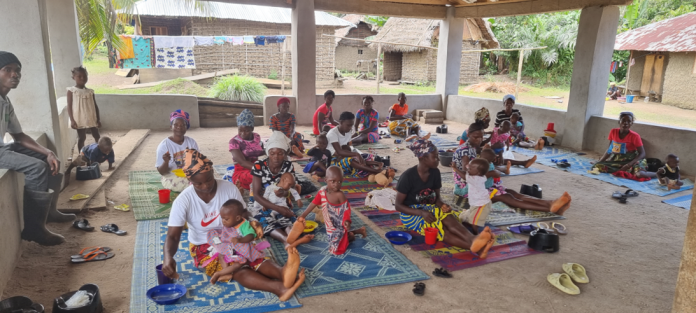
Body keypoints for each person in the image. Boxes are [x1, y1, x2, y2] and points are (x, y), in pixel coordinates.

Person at [162, 150, 305, 300]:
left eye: (209, 180)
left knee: (253, 255)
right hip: (205, 245)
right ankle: (278, 288)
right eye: (198, 183)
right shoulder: (183, 200)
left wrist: (252, 224)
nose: (205, 186)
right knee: (235, 267)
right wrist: (168, 257)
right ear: (189, 179)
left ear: (212, 172)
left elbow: (243, 213)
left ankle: (282, 273)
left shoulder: (229, 188)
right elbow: (172, 235)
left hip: (233, 237)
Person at [0, 51, 73, 246]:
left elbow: (19, 135)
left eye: (17, 71)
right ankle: (34, 229)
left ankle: (50, 212)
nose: (14, 75)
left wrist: (48, 152)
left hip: (3, 147)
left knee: (51, 160)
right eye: (7, 70)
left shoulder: (5, 101)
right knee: (37, 168)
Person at [396, 139, 495, 258]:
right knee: (440, 228)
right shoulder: (407, 177)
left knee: (448, 217)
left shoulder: (435, 173)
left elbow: (436, 198)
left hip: (429, 207)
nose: (438, 159)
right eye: (435, 157)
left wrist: (442, 205)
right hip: (411, 213)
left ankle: (473, 239)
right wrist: (421, 213)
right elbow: (398, 206)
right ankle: (476, 248)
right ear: (423, 158)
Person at [453, 122, 571, 214]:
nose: (479, 140)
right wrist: (490, 173)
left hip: (479, 182)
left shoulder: (472, 146)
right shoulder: (464, 152)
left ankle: (551, 203)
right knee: (507, 197)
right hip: (467, 188)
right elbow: (468, 175)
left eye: (481, 137)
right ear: (468, 135)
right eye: (475, 137)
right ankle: (549, 208)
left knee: (511, 192)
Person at [249, 131, 313, 247]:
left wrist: (284, 193)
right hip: (261, 202)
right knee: (265, 219)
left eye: (280, 153)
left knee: (287, 217)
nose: (276, 157)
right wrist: (278, 208)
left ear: (285, 153)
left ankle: (291, 236)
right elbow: (257, 195)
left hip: (280, 201)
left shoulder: (288, 166)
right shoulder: (259, 165)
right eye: (272, 153)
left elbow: (292, 186)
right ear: (268, 152)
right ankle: (285, 240)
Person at [299, 166, 367, 255]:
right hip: (329, 220)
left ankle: (351, 236)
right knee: (335, 236)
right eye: (333, 181)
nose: (336, 184)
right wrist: (303, 215)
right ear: (325, 180)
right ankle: (357, 231)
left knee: (337, 247)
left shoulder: (340, 195)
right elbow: (314, 203)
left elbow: (346, 209)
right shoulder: (322, 191)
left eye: (339, 181)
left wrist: (346, 220)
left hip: (339, 221)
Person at [205, 199, 266, 284]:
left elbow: (251, 236)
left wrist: (239, 240)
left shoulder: (244, 225)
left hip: (241, 249)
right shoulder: (231, 223)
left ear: (237, 218)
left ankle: (219, 273)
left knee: (240, 262)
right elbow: (225, 234)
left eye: (226, 219)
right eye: (222, 218)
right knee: (221, 255)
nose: (223, 221)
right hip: (231, 246)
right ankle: (226, 272)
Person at [591, 112, 655, 178]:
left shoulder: (635, 136)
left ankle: (658, 174)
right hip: (618, 160)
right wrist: (600, 161)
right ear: (619, 121)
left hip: (633, 160)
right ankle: (623, 170)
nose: (626, 123)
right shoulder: (613, 132)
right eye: (623, 120)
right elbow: (610, 149)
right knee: (597, 166)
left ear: (631, 123)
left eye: (629, 121)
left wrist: (629, 165)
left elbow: (642, 153)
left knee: (639, 174)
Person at [327, 111, 383, 177]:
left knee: (365, 156)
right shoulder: (332, 133)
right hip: (333, 160)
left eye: (351, 125)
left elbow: (347, 147)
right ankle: (376, 171)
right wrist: (355, 154)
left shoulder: (347, 132)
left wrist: (355, 155)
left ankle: (376, 163)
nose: (350, 128)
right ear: (341, 122)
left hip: (343, 156)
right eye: (348, 125)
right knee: (350, 160)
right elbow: (339, 151)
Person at [156, 110, 200, 192]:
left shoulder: (191, 142)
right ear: (171, 127)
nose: (179, 127)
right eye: (175, 125)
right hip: (172, 177)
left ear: (186, 127)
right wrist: (165, 162)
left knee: (207, 178)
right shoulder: (164, 145)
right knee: (195, 185)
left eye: (182, 125)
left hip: (190, 175)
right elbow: (162, 172)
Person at [454, 158, 492, 235]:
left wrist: (455, 168)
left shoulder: (476, 179)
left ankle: (475, 234)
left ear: (478, 172)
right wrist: (469, 168)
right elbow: (467, 173)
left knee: (473, 222)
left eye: (470, 168)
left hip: (481, 205)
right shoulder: (478, 175)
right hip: (476, 203)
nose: (468, 168)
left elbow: (464, 176)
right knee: (469, 217)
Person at [229, 109, 265, 191]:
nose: (243, 133)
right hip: (241, 171)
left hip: (257, 166)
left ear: (252, 128)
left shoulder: (256, 137)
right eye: (240, 130)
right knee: (257, 176)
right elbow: (242, 162)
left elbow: (262, 150)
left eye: (246, 130)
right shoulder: (234, 142)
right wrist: (262, 169)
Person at [67, 66, 101, 151]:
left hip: (91, 116)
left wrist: (98, 118)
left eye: (85, 76)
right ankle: (81, 157)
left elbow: (95, 105)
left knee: (97, 135)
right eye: (79, 76)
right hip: (79, 118)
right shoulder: (71, 91)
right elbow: (69, 106)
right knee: (82, 137)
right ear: (73, 77)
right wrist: (72, 120)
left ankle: (99, 152)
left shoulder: (90, 92)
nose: (82, 78)